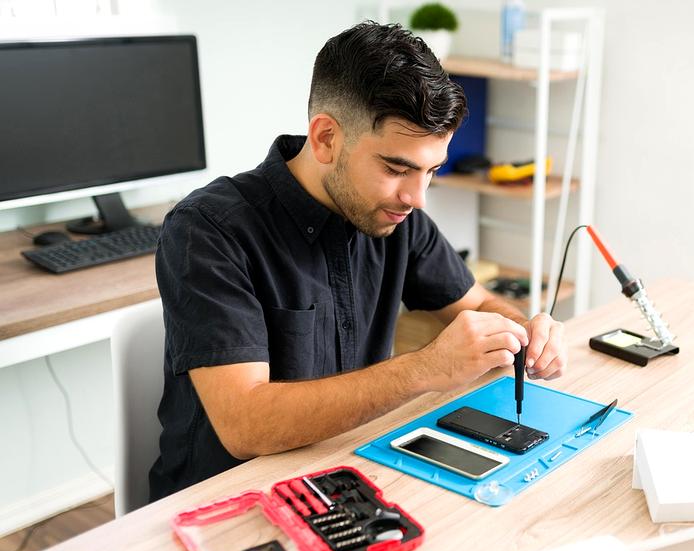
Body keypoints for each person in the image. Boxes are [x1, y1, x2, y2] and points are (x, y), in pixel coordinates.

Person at [150, 21, 567, 500]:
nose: (418, 196)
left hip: (349, 476)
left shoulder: (395, 213)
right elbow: (246, 426)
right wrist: (425, 369)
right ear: (326, 138)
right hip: (222, 502)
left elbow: (480, 303)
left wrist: (523, 331)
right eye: (396, 168)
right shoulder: (207, 229)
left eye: (432, 170)